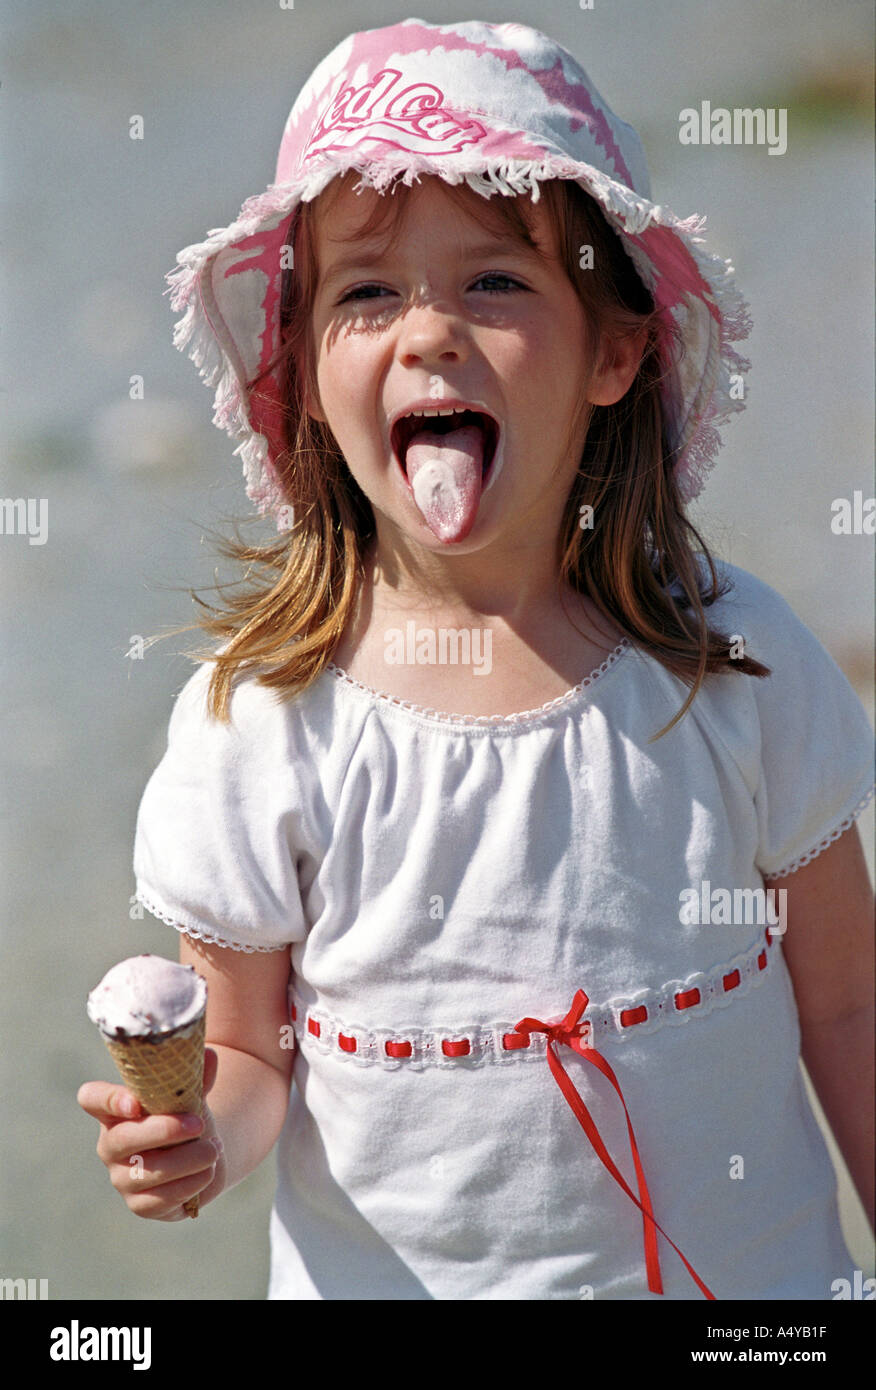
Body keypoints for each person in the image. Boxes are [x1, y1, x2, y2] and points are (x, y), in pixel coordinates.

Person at [78, 18, 874, 1300]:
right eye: (368, 291)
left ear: (616, 349)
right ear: (307, 374)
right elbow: (250, 1059)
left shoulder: (736, 667)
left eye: (496, 282)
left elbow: (846, 1004)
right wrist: (195, 1140)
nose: (431, 331)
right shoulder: (267, 721)